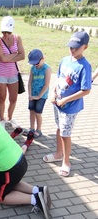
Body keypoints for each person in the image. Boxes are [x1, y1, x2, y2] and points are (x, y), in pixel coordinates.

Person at [43, 31, 92, 177]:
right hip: (57, 103)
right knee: (59, 129)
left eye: (76, 47)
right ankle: (58, 153)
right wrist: (53, 92)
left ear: (85, 47)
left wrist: (65, 100)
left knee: (66, 134)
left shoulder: (85, 66)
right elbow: (58, 79)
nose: (72, 50)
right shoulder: (65, 60)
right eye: (71, 46)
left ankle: (66, 161)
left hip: (70, 108)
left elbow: (86, 90)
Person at [0, 16, 25, 129]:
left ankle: (10, 118)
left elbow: (23, 55)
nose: (6, 34)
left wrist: (8, 57)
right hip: (0, 73)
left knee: (13, 99)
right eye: (3, 32)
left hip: (13, 73)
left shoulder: (17, 38)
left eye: (8, 32)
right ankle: (2, 119)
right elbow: (2, 58)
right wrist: (16, 55)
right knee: (2, 98)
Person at [21, 49, 51, 150]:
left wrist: (39, 96)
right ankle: (32, 128)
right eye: (33, 63)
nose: (35, 65)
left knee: (38, 112)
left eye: (37, 63)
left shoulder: (47, 69)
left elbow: (46, 84)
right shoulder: (33, 69)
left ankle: (39, 129)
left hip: (41, 96)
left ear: (42, 59)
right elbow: (30, 82)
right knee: (31, 111)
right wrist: (30, 94)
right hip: (32, 95)